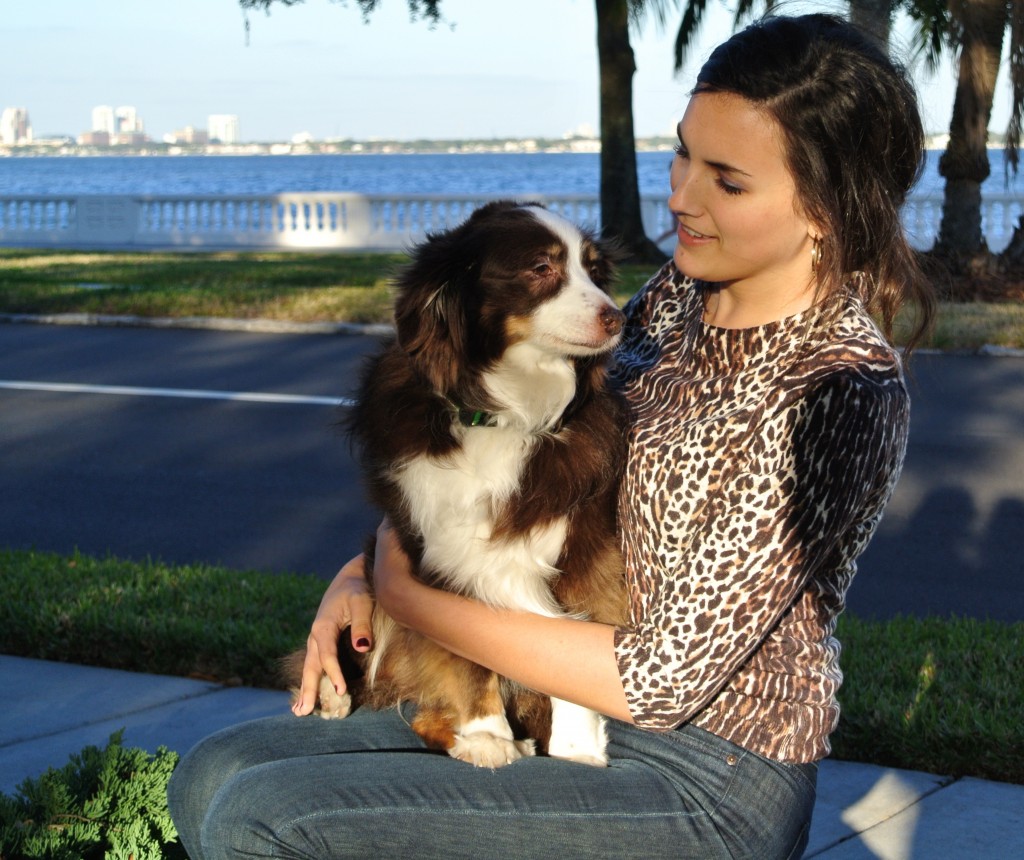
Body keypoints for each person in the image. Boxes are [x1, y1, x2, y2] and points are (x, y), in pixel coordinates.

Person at [167, 13, 935, 859]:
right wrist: (368, 567)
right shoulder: (682, 298)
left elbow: (662, 680)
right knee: (212, 773)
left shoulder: (841, 390)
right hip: (547, 699)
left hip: (703, 776)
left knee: (263, 816)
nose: (682, 196)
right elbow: (519, 458)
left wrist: (408, 596)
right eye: (683, 154)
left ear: (827, 208)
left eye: (727, 180)